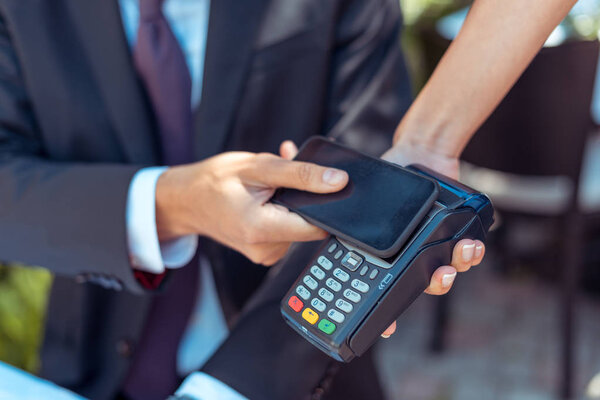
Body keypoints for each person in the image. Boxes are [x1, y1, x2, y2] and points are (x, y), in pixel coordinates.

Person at [0, 1, 479, 400]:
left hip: (288, 367)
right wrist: (173, 204)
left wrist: (227, 388)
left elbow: (379, 163)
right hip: (94, 366)